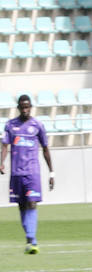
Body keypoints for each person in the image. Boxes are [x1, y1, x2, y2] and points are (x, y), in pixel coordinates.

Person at [2, 94, 54, 254]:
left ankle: (32, 239)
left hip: (33, 173)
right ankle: (30, 238)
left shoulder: (37, 125)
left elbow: (45, 149)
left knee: (32, 203)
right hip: (16, 173)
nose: (25, 109)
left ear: (31, 107)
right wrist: (1, 161)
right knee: (21, 205)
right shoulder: (10, 125)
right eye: (22, 107)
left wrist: (52, 172)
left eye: (27, 107)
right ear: (18, 108)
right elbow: (4, 146)